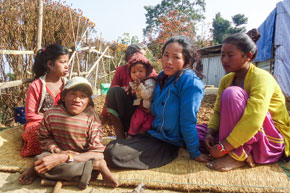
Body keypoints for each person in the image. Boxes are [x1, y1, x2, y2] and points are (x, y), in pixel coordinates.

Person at [104, 36, 211, 170]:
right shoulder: (162, 77)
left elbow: (188, 120)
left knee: (112, 153)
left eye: (176, 57)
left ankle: (127, 144)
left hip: (166, 142)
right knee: (115, 93)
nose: (169, 61)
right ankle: (123, 139)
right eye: (166, 55)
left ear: (187, 61)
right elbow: (153, 103)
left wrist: (194, 153)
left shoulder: (190, 83)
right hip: (149, 130)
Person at [202, 29, 290, 172]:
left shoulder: (261, 78)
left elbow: (254, 119)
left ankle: (237, 155)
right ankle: (240, 150)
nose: (224, 60)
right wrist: (210, 133)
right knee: (195, 133)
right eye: (222, 55)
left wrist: (224, 147)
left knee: (232, 94)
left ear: (248, 56)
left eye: (230, 55)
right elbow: (218, 112)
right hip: (243, 134)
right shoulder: (227, 79)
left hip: (268, 139)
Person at [18, 77, 118, 188]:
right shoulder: (51, 114)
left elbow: (97, 153)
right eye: (73, 94)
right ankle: (88, 169)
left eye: (83, 96)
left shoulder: (91, 118)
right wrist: (58, 151)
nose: (77, 99)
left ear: (88, 100)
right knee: (40, 159)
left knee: (58, 168)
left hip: (81, 158)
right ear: (64, 96)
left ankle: (98, 166)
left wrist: (65, 157)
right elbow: (44, 138)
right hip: (57, 153)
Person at [21, 44, 69, 157]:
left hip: (62, 124)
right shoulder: (36, 86)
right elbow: (30, 115)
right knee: (34, 132)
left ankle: (55, 149)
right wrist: (51, 120)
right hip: (40, 124)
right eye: (62, 62)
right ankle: (53, 150)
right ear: (50, 64)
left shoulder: (69, 85)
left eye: (67, 62)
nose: (67, 66)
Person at [104, 44, 157, 138]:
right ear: (129, 59)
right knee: (114, 92)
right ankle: (121, 137)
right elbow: (113, 89)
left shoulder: (148, 71)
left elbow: (154, 89)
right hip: (129, 108)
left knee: (146, 124)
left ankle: (140, 137)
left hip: (146, 107)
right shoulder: (121, 70)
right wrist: (125, 89)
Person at [126, 52, 156, 137]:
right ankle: (130, 136)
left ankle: (142, 137)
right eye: (134, 72)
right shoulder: (133, 83)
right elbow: (135, 95)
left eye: (140, 71)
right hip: (140, 108)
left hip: (150, 109)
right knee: (135, 122)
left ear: (146, 71)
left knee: (148, 125)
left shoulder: (150, 81)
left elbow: (147, 95)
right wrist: (131, 91)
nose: (137, 74)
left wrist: (139, 86)